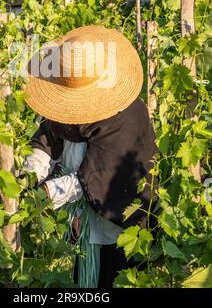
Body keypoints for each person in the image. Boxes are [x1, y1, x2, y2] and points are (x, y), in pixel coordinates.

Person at [22, 25, 158, 288]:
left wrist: (46, 193)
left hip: (118, 228)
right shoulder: (64, 110)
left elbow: (97, 176)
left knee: (109, 280)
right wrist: (31, 172)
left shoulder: (126, 119)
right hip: (81, 224)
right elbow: (46, 140)